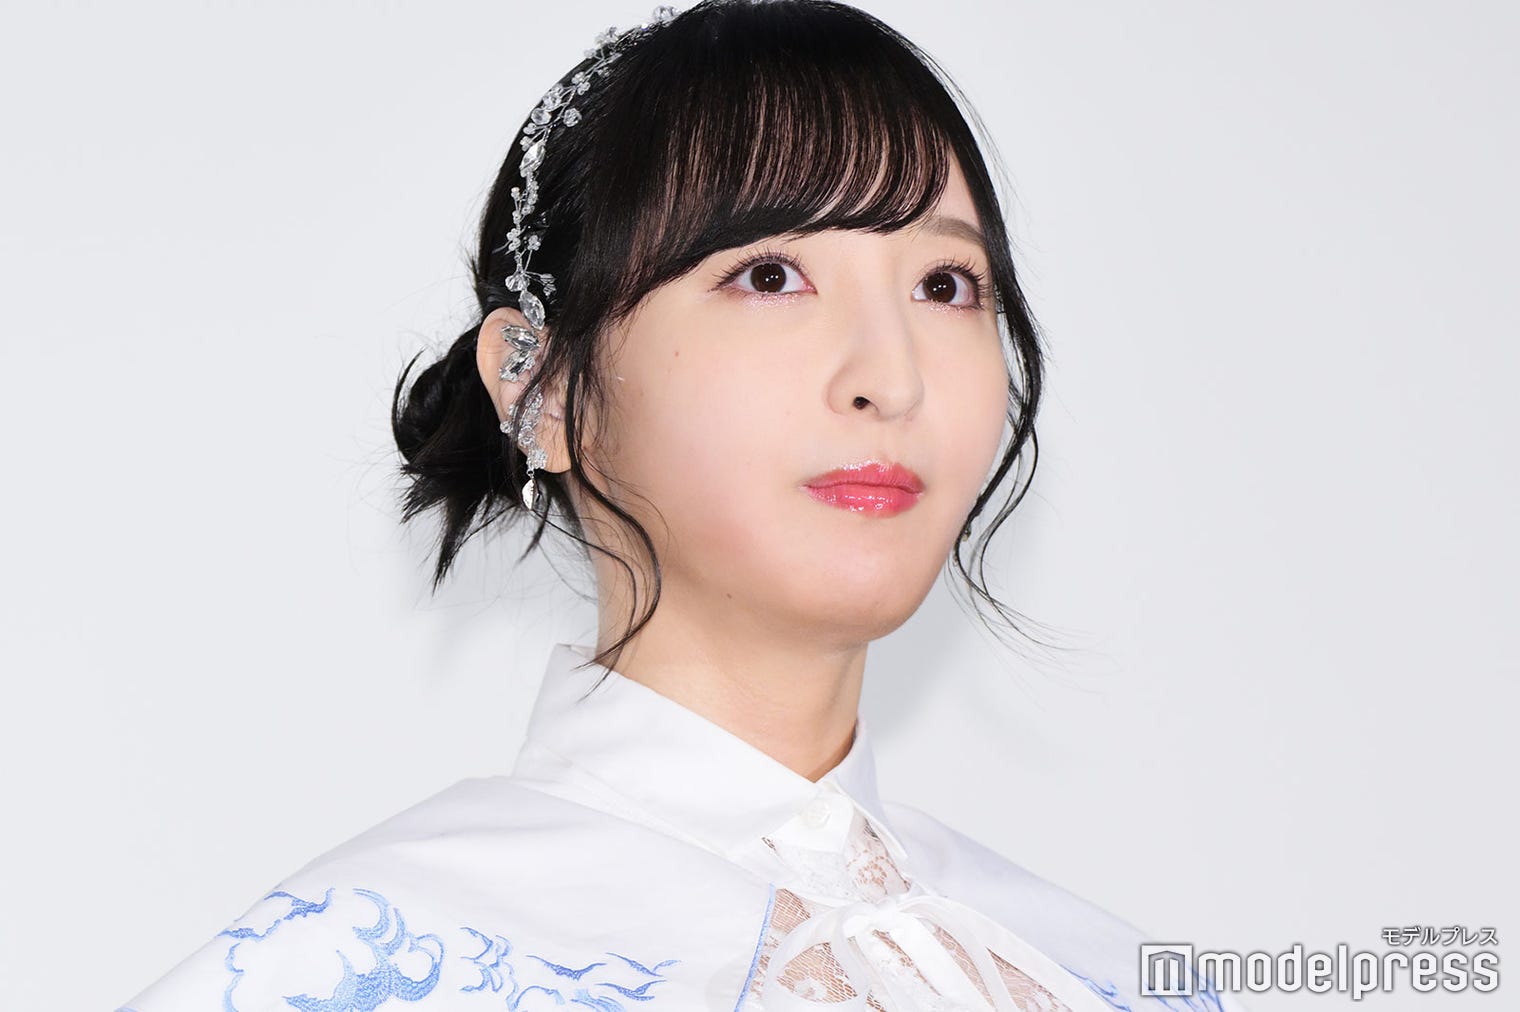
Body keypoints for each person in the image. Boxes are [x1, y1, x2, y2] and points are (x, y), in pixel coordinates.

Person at [118, 2, 1247, 1009]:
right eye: (770, 275)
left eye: (944, 285)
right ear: (544, 386)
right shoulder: (367, 959)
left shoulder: (1099, 967)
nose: (890, 377)